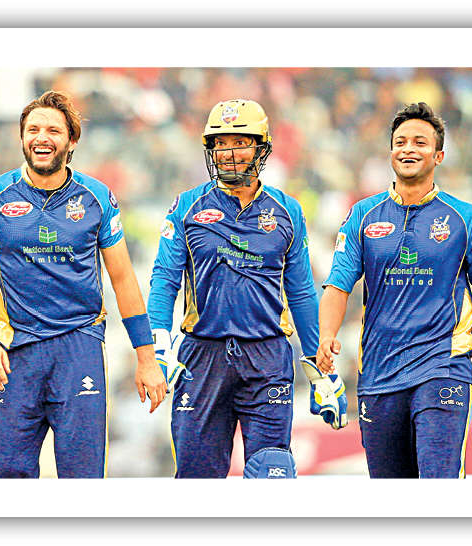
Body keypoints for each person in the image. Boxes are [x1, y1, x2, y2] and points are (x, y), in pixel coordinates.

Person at [318, 102, 472, 479]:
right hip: (379, 375)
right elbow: (337, 287)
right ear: (390, 152)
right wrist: (326, 335)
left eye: (420, 142)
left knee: (438, 486)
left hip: (442, 368)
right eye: (400, 142)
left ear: (438, 155)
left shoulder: (465, 219)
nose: (408, 149)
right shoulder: (362, 215)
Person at [0, 90, 166, 479]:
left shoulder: (97, 197)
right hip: (13, 352)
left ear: (71, 141)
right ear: (22, 138)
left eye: (53, 130)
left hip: (79, 348)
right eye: (33, 129)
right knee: (4, 477)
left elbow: (122, 278)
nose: (42, 137)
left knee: (83, 477)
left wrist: (146, 357)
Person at [148, 99, 348, 479]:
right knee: (196, 479)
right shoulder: (186, 206)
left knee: (272, 471)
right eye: (220, 143)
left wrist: (320, 368)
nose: (229, 152)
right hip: (202, 358)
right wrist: (158, 341)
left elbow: (301, 293)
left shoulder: (288, 211)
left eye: (239, 142)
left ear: (261, 147)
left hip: (267, 358)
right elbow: (164, 278)